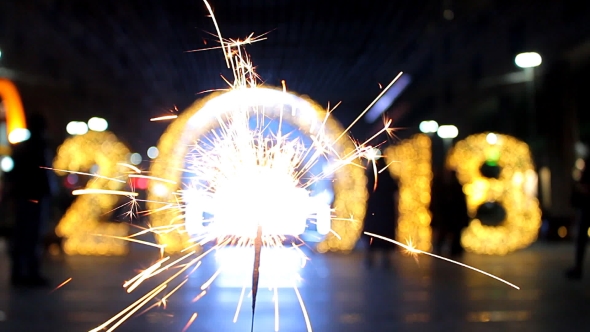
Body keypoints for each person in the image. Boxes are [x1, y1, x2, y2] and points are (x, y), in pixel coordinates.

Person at [5, 113, 55, 287]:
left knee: (25, 237)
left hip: (27, 197)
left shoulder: (23, 148)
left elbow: (12, 175)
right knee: (30, 237)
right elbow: (44, 175)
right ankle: (27, 273)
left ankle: (22, 272)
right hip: (33, 198)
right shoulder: (38, 148)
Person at [362, 156, 399, 268]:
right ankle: (384, 258)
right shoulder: (388, 175)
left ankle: (371, 257)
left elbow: (369, 188)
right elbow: (394, 188)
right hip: (385, 212)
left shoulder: (373, 175)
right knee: (384, 236)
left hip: (375, 210)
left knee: (373, 235)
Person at [432, 169, 470, 257]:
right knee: (444, 234)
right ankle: (446, 251)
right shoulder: (444, 188)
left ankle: (452, 251)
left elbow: (461, 204)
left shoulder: (451, 188)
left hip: (453, 216)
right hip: (448, 216)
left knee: (452, 235)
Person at [566, 156, 590, 280]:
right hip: (585, 206)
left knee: (581, 238)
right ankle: (578, 267)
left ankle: (578, 268)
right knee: (581, 238)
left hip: (586, 207)